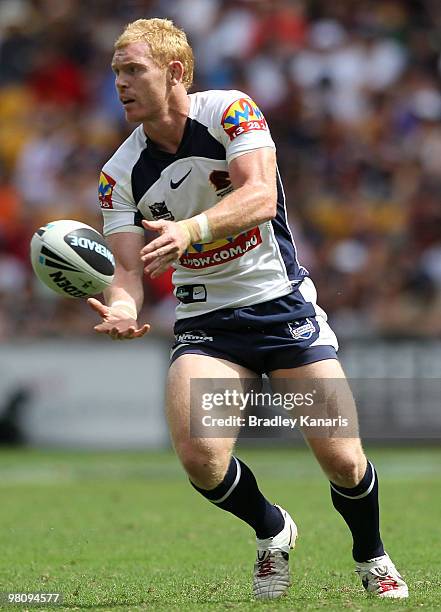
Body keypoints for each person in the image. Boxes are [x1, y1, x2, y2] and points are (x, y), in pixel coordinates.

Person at [88, 18, 408, 600]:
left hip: (281, 306)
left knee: (342, 458)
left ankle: (371, 553)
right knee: (201, 458)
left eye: (134, 70)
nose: (121, 83)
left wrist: (190, 229)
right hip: (206, 323)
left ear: (175, 72)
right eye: (116, 73)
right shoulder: (118, 175)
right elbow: (129, 271)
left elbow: (259, 196)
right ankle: (273, 529)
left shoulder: (232, 111)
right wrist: (119, 306)